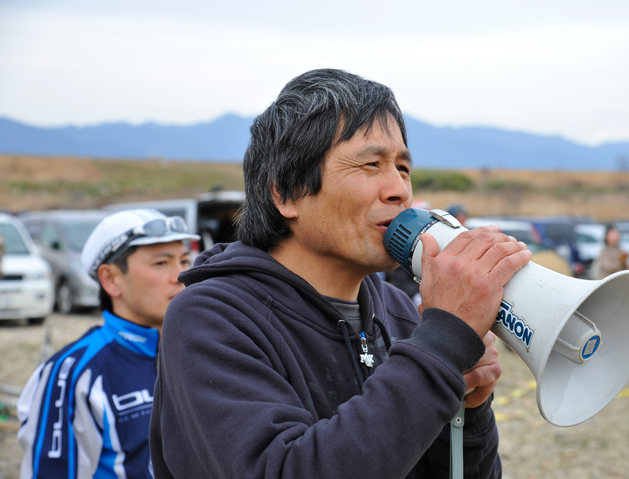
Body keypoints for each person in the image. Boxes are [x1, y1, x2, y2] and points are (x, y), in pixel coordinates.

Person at [149, 69, 531, 478]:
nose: (400, 189)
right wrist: (439, 347)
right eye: (371, 164)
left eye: (403, 167)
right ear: (287, 193)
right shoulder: (211, 317)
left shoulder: (399, 312)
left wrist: (466, 413)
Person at [16, 208, 199, 479]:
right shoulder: (72, 372)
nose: (180, 275)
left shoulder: (203, 352)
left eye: (185, 261)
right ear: (110, 279)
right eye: (162, 263)